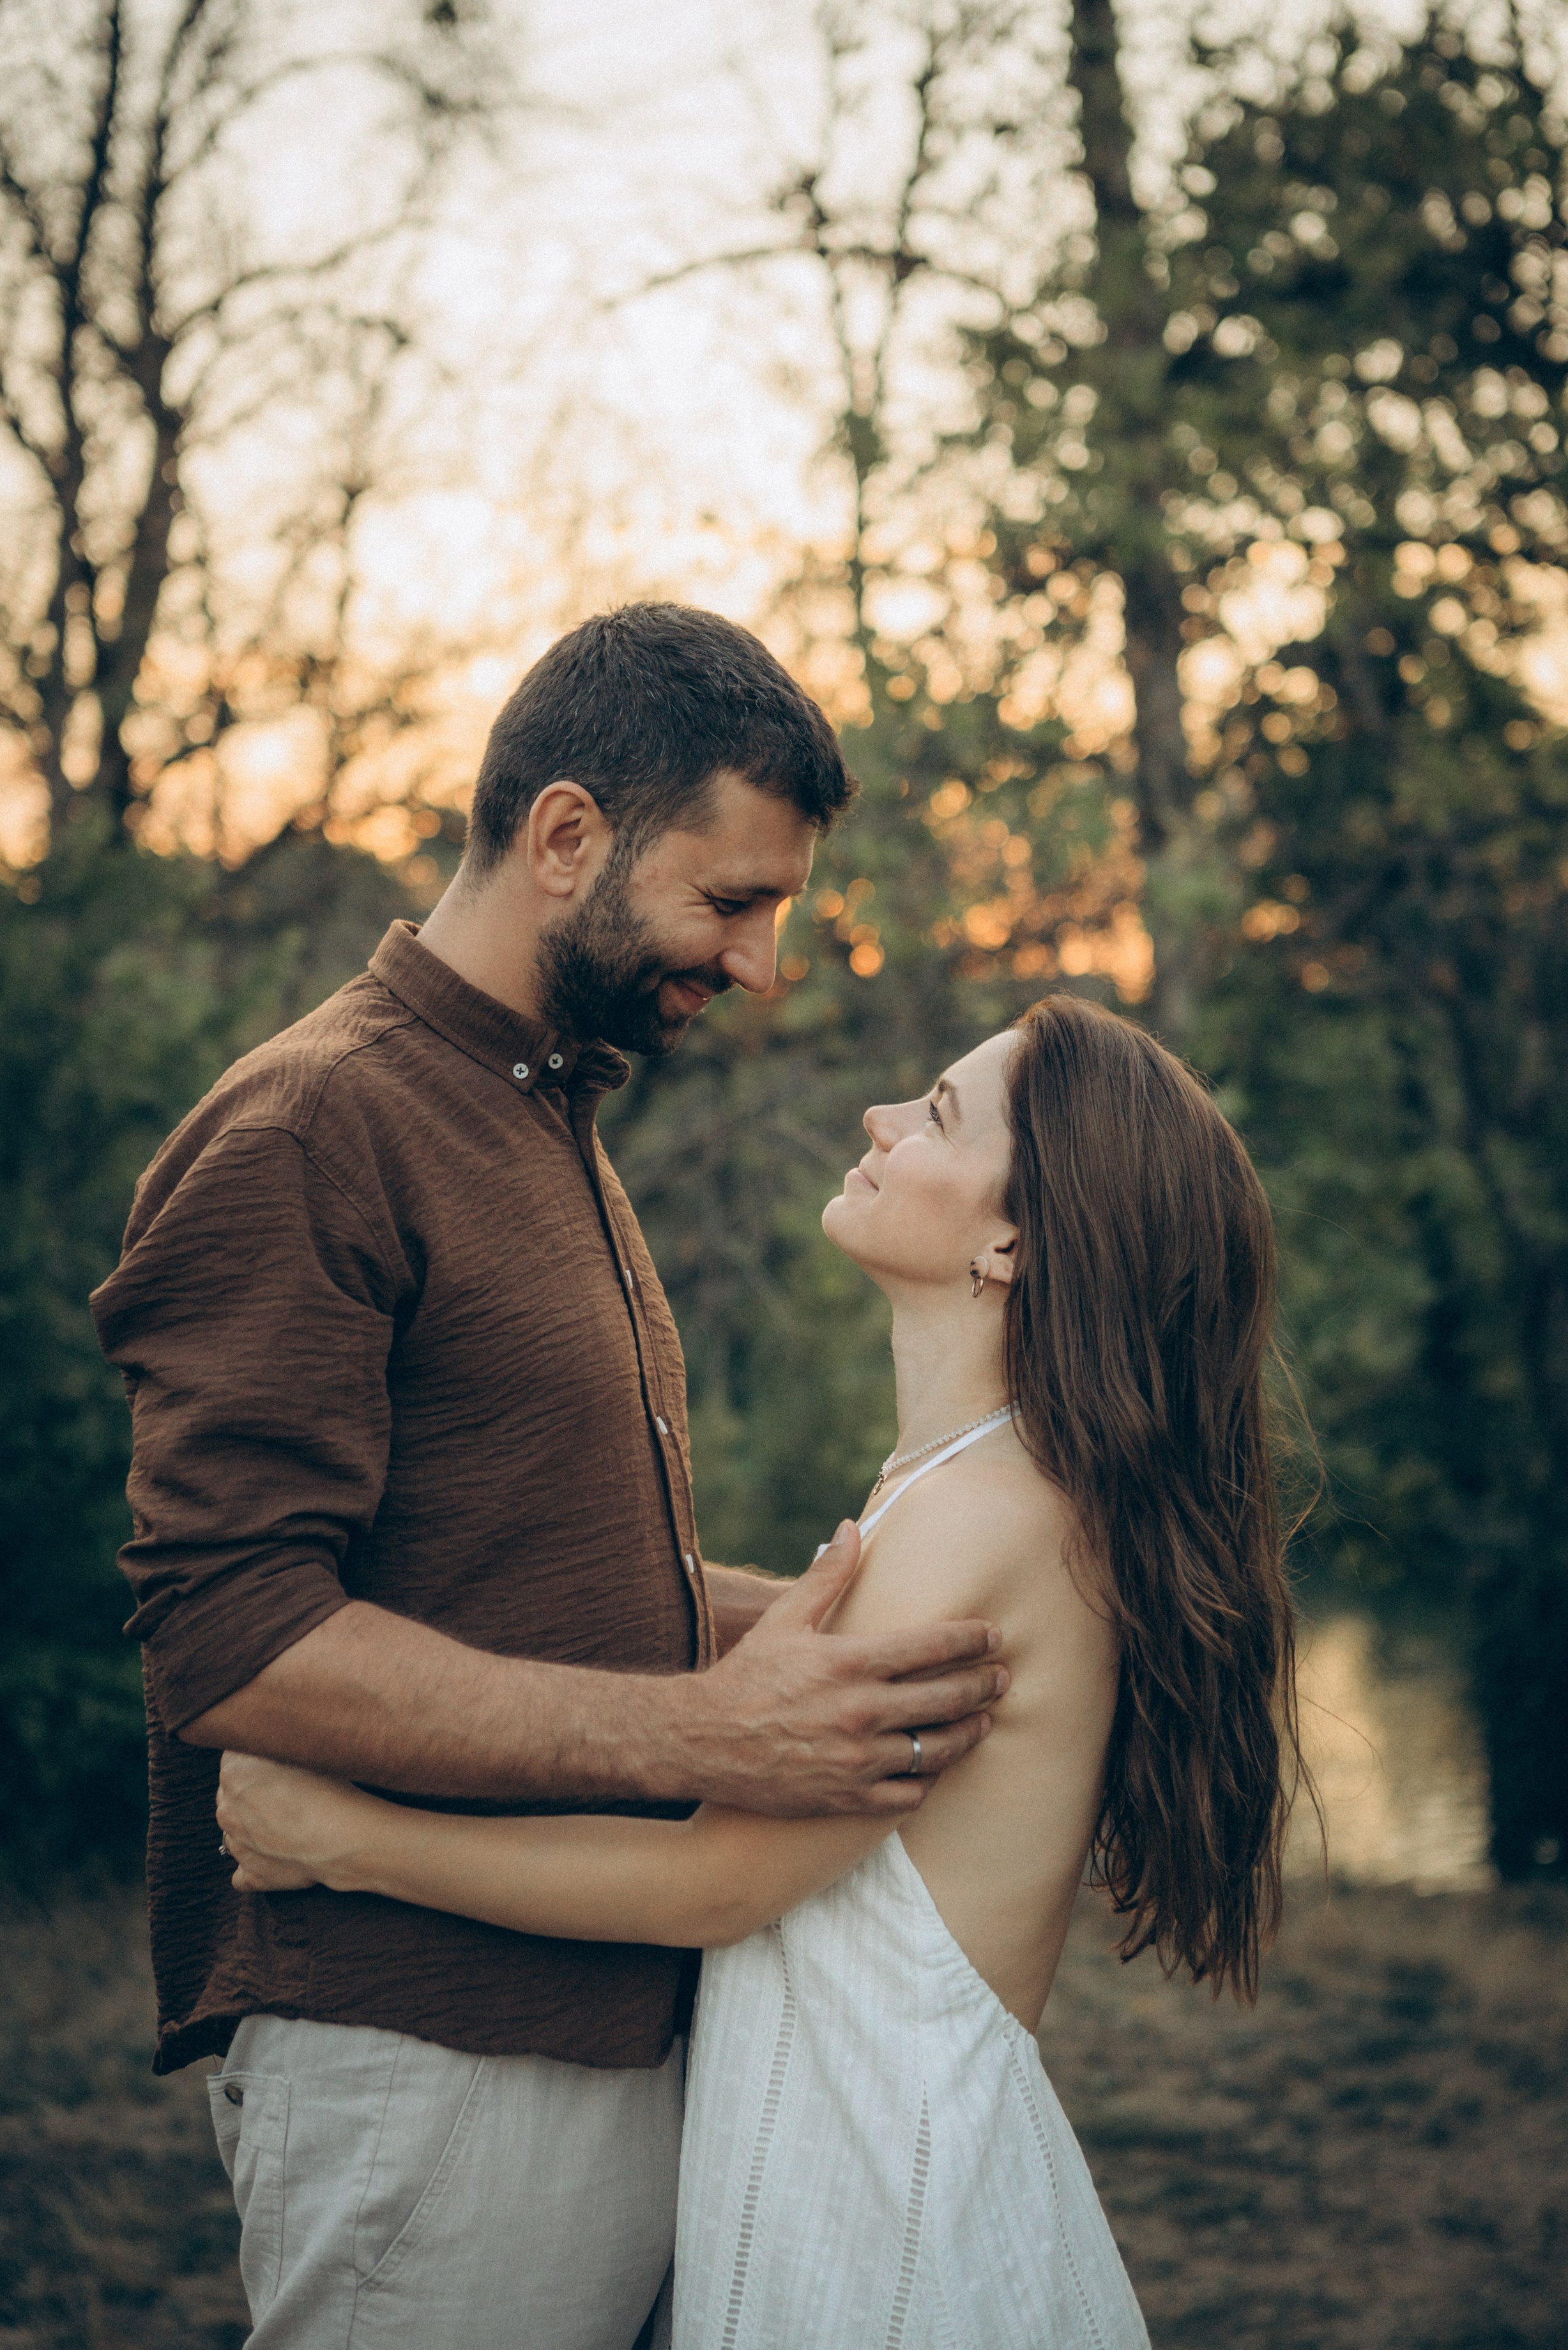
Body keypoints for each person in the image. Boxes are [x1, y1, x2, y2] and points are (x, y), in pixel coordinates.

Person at [90, 602, 1010, 2350]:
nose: (761, 964)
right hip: (424, 2051)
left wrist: (928, 1625)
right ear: (568, 835)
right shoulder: (314, 1130)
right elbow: (236, 1642)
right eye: (734, 901)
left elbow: (560, 1566)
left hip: (611, 2019)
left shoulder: (537, 1109)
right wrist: (707, 1737)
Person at [220, 994, 1311, 2350]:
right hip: (869, 2154)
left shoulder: (986, 1513)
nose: (879, 1117)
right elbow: (771, 1641)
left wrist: (349, 1841)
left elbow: (716, 1883)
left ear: (1013, 1242)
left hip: (877, 2206)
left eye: (935, 1114)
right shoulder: (981, 1483)